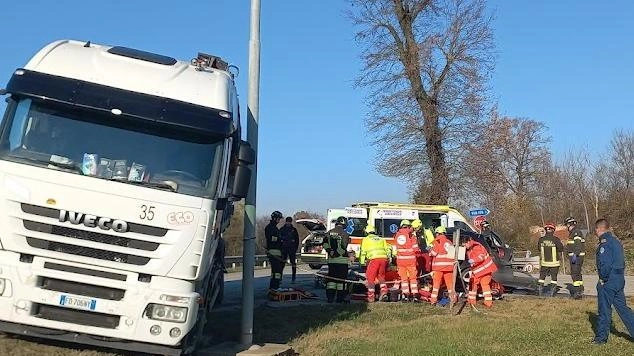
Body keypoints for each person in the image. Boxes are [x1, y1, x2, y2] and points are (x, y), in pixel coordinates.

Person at [592, 218, 634, 344]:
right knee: (623, 309)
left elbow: (604, 264)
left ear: (599, 229)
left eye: (595, 229)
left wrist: (603, 280)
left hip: (608, 281)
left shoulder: (605, 244)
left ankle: (601, 338)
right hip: (619, 279)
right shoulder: (616, 242)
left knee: (604, 309)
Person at [359, 225, 392, 302]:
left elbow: (363, 252)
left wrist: (361, 262)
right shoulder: (381, 239)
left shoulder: (366, 239)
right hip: (384, 259)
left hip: (374, 259)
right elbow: (387, 250)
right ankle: (384, 292)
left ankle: (371, 297)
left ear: (366, 232)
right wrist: (389, 260)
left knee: (370, 277)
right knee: (381, 277)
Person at [464, 235, 498, 308]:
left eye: (465, 244)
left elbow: (480, 257)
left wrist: (473, 260)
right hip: (481, 270)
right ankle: (473, 301)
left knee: (481, 284)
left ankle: (484, 302)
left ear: (468, 241)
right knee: (475, 284)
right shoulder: (470, 249)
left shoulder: (476, 247)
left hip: (484, 270)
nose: (464, 246)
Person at [323, 216, 350, 303]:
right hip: (341, 261)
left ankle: (330, 298)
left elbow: (324, 243)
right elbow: (343, 247)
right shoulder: (345, 234)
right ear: (344, 224)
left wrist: (330, 251)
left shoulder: (329, 233)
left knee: (331, 280)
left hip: (331, 261)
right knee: (341, 281)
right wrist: (337, 254)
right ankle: (340, 299)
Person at [394, 219, 421, 302]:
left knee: (404, 279)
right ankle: (415, 295)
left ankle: (405, 295)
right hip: (410, 261)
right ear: (409, 226)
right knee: (413, 278)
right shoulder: (411, 235)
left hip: (400, 261)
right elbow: (416, 249)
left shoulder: (397, 235)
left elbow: (395, 248)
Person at [429, 226, 456, 305]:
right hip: (449, 267)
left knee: (436, 285)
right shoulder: (449, 242)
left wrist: (429, 250)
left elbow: (434, 253)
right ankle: (453, 300)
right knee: (450, 285)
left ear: (437, 233)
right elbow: (452, 254)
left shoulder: (437, 241)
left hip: (439, 267)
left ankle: (433, 301)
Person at [537, 223, 563, 297]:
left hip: (544, 263)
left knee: (541, 277)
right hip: (554, 263)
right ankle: (552, 293)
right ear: (553, 230)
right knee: (553, 278)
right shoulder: (556, 239)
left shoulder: (541, 240)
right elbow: (561, 249)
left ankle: (540, 291)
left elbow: (539, 249)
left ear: (546, 230)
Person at [564, 216, 585, 299]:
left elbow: (578, 246)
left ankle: (577, 292)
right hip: (577, 257)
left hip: (576, 257)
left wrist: (574, 256)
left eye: (567, 225)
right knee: (578, 273)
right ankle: (580, 289)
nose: (566, 227)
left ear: (570, 224)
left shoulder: (576, 232)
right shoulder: (575, 232)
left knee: (575, 274)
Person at [265, 211, 285, 290]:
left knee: (277, 271)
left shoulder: (275, 228)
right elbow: (270, 238)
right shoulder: (269, 227)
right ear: (275, 218)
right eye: (278, 219)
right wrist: (280, 239)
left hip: (278, 253)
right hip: (273, 252)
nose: (279, 220)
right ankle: (275, 287)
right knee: (276, 271)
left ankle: (274, 286)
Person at [280, 217, 300, 283]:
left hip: (292, 249)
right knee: (282, 263)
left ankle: (293, 278)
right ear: (286, 222)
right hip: (284, 249)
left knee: (293, 263)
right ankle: (280, 278)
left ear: (291, 222)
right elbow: (279, 239)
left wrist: (295, 248)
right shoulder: (282, 229)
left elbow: (297, 240)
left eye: (289, 221)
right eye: (287, 221)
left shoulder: (294, 230)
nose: (288, 223)